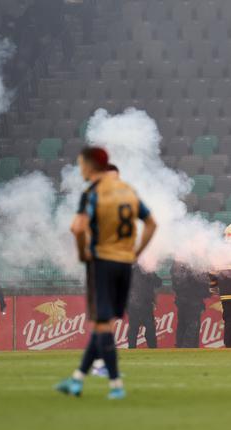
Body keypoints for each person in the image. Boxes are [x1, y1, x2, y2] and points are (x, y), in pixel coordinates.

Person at [56, 146, 157, 400]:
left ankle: (116, 385)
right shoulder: (128, 192)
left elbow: (77, 228)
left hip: (102, 262)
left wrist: (82, 253)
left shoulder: (92, 193)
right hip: (125, 263)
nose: (81, 169)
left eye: (82, 164)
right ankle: (77, 379)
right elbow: (151, 223)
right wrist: (137, 251)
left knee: (102, 325)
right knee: (105, 324)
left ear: (92, 167)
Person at [171, 262, 209, 348]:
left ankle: (181, 345)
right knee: (192, 326)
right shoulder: (193, 269)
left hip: (181, 301)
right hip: (193, 303)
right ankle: (187, 347)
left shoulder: (176, 267)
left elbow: (175, 285)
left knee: (182, 324)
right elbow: (202, 287)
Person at [127, 265, 162, 349]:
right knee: (134, 329)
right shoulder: (131, 271)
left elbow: (158, 283)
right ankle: (132, 349)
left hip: (146, 305)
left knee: (150, 329)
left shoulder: (149, 271)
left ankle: (152, 348)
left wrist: (152, 276)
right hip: (134, 306)